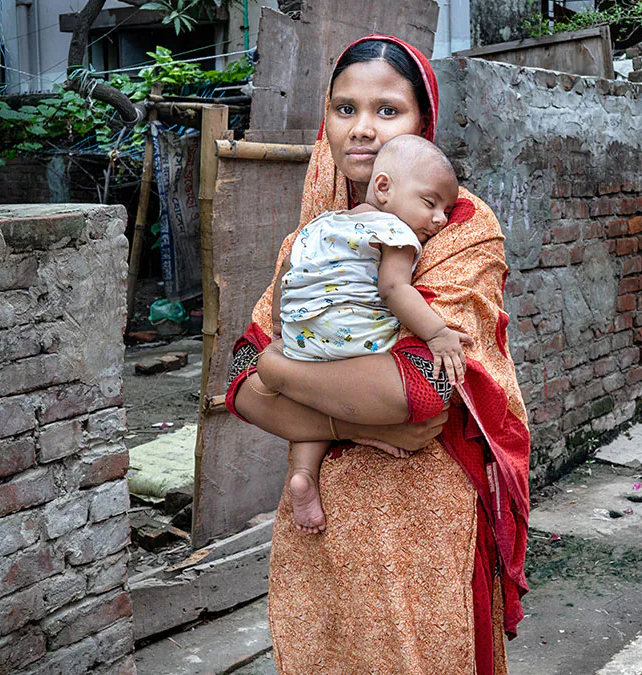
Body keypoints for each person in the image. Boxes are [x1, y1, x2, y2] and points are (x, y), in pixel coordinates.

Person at [225, 34, 531, 674]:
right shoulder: (309, 240)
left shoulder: (455, 228)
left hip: (422, 525)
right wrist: (335, 412)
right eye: (344, 109)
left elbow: (421, 396)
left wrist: (283, 372)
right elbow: (239, 384)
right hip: (321, 526)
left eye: (388, 110)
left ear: (424, 123)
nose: (361, 130)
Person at [261, 134, 472, 534]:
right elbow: (393, 290)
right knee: (405, 376)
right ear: (383, 188)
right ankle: (374, 431)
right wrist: (438, 333)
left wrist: (279, 333)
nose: (441, 219)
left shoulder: (319, 225)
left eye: (446, 209)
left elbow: (287, 276)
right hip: (358, 340)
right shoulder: (396, 233)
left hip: (300, 339)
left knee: (316, 397)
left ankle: (303, 474)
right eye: (430, 203)